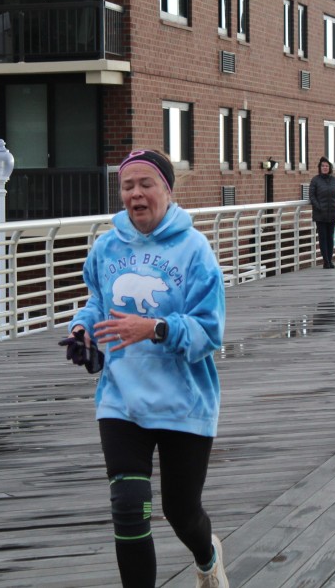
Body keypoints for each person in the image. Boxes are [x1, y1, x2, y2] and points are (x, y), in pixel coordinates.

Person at [64, 149, 229, 588]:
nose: (135, 194)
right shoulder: (106, 247)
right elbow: (98, 302)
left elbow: (210, 330)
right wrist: (82, 329)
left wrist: (155, 328)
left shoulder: (194, 250)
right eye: (127, 186)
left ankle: (207, 556)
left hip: (183, 402)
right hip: (121, 398)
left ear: (167, 191)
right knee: (129, 503)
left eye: (146, 184)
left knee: (181, 511)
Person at [310, 156, 335, 269]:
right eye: (323, 166)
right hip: (320, 214)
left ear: (330, 168)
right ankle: (326, 261)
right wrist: (318, 206)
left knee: (330, 237)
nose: (325, 168)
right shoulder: (315, 180)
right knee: (323, 237)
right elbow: (312, 196)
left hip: (332, 213)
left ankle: (330, 259)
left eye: (327, 166)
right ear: (320, 167)